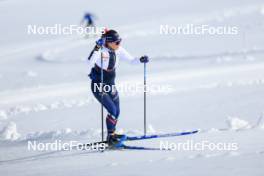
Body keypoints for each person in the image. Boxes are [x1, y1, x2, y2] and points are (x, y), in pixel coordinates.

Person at [87, 29, 149, 146]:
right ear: (109, 42)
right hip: (98, 85)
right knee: (112, 110)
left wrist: (140, 60)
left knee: (117, 111)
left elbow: (131, 61)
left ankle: (112, 134)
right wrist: (96, 47)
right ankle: (110, 138)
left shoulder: (119, 50)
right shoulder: (101, 50)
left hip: (110, 85)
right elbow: (89, 62)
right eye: (116, 42)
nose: (119, 44)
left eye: (119, 41)